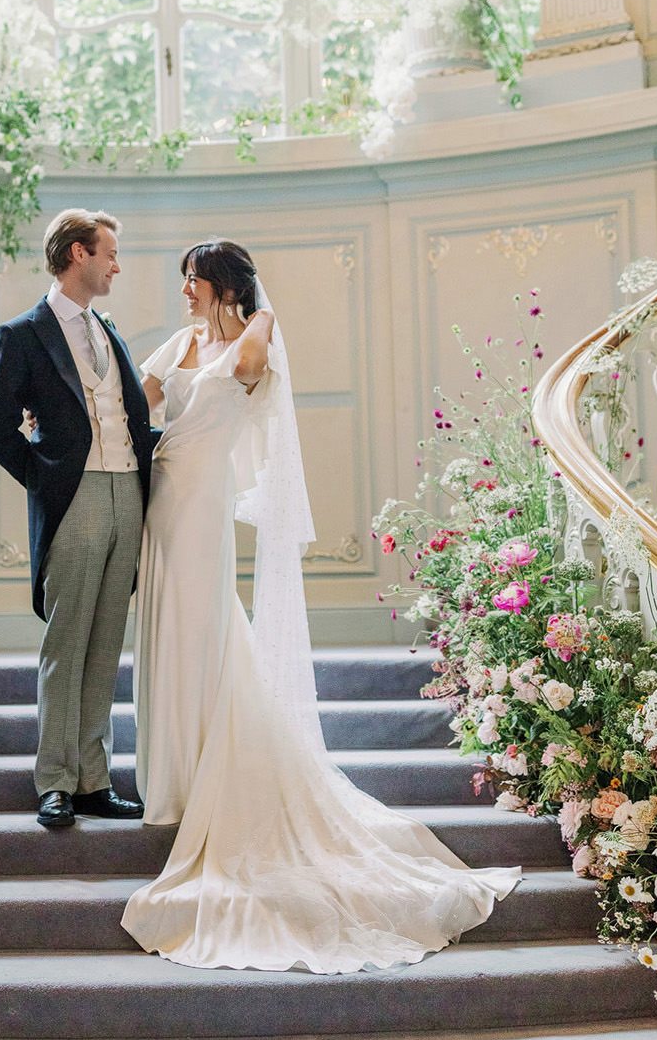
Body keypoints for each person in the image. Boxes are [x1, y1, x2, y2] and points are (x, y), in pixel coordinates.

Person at [121, 238, 521, 972]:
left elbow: (242, 371)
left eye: (193, 279)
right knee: (167, 630)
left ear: (222, 283)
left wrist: (256, 313)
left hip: (204, 500)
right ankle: (171, 776)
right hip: (162, 493)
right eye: (182, 278)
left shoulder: (254, 340)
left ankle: (208, 770)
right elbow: (136, 407)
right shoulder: (178, 340)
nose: (183, 290)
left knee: (203, 626)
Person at [0, 209, 156, 829]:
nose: (116, 265)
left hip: (127, 492)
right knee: (67, 641)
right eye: (109, 253)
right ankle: (54, 781)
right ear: (78, 254)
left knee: (106, 641)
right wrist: (47, 475)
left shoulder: (108, 330)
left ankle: (93, 780)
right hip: (74, 496)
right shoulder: (22, 334)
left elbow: (130, 416)